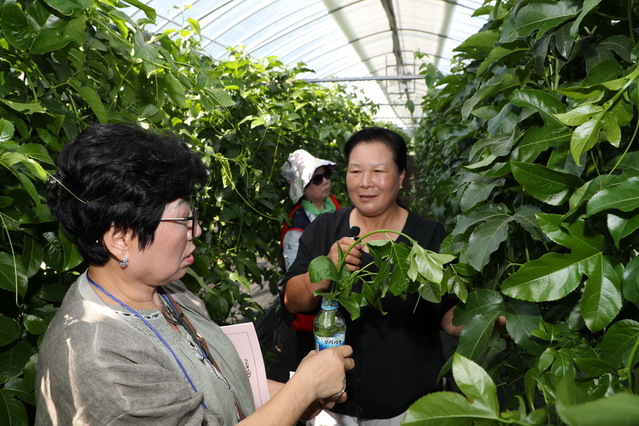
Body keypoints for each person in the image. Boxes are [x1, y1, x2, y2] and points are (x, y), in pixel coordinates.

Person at [36, 123, 354, 425]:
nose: (197, 230)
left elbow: (224, 387)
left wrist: (297, 400)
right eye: (182, 220)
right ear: (120, 239)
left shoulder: (167, 291)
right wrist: (305, 387)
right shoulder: (100, 357)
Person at [282, 127, 462, 425]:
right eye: (356, 171)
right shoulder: (326, 228)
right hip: (332, 404)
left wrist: (482, 323)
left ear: (401, 175)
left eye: (379, 170)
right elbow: (292, 300)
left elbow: (446, 312)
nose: (365, 183)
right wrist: (326, 269)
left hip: (408, 406)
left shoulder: (428, 236)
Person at [279, 149, 341, 370]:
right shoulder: (296, 225)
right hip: (313, 315)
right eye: (317, 178)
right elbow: (295, 274)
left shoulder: (335, 205)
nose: (325, 181)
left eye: (326, 176)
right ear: (302, 189)